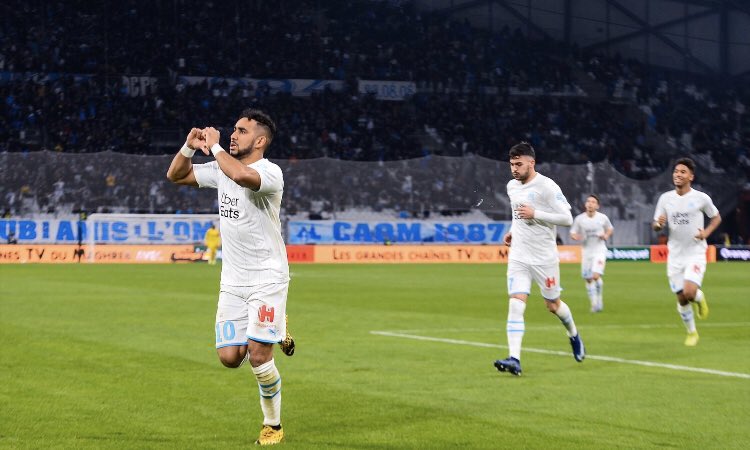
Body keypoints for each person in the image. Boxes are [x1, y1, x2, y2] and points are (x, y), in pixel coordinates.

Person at [166, 108, 294, 445]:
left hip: (268, 277)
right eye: (233, 130)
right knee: (229, 358)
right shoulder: (222, 169)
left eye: (241, 131)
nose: (233, 134)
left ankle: (273, 425)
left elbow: (240, 176)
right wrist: (189, 147)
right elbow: (176, 176)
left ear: (260, 140)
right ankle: (276, 326)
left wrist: (218, 146)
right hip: (233, 282)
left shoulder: (270, 173)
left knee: (258, 354)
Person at [494, 142, 585, 376]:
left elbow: (567, 218)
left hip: (544, 258)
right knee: (516, 303)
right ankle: (514, 358)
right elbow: (518, 214)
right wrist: (513, 230)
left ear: (531, 163)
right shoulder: (512, 186)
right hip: (519, 256)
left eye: (518, 164)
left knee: (553, 305)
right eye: (511, 164)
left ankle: (573, 334)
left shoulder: (546, 186)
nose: (514, 169)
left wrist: (537, 214)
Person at [653, 157, 721, 347]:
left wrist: (706, 232)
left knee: (689, 292)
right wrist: (658, 225)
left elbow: (716, 218)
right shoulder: (665, 199)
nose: (678, 175)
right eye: (676, 171)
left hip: (695, 253)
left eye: (683, 172)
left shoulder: (701, 198)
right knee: (681, 297)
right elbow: (656, 224)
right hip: (675, 255)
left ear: (691, 176)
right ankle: (692, 332)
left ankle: (698, 297)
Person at [569, 194, 614, 312]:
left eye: (593, 202)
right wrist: (575, 237)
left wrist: (605, 235)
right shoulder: (579, 219)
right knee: (588, 279)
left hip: (599, 250)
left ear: (597, 206)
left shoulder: (602, 218)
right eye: (588, 201)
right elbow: (573, 232)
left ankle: (598, 300)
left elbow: (610, 228)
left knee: (595, 275)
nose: (590, 203)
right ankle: (593, 303)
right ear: (585, 205)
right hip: (586, 252)